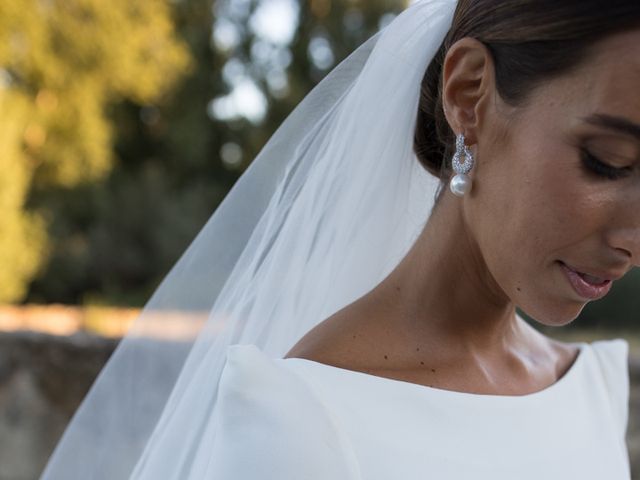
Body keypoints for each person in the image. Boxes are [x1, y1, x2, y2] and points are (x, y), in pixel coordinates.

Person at [40, 0, 638, 479]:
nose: (633, 237)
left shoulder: (594, 388)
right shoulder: (304, 421)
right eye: (607, 161)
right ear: (469, 94)